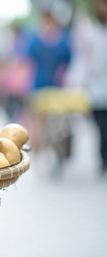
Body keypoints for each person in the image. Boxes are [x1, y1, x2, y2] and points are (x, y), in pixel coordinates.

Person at [67, 0, 107, 175]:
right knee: (102, 128)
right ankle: (103, 160)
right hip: (97, 91)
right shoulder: (91, 33)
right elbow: (83, 62)